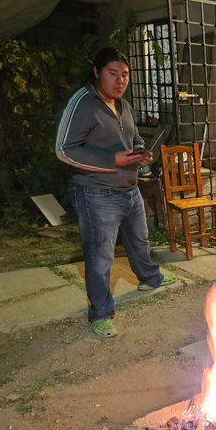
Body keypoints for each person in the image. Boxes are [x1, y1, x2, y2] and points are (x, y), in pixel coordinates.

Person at [56, 47, 176, 337]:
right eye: (113, 74)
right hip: (96, 194)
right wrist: (114, 160)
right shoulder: (83, 103)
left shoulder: (123, 105)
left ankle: (150, 277)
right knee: (100, 257)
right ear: (97, 72)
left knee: (139, 240)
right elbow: (63, 150)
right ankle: (100, 312)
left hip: (129, 188)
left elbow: (132, 137)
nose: (120, 81)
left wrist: (140, 154)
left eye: (125, 75)